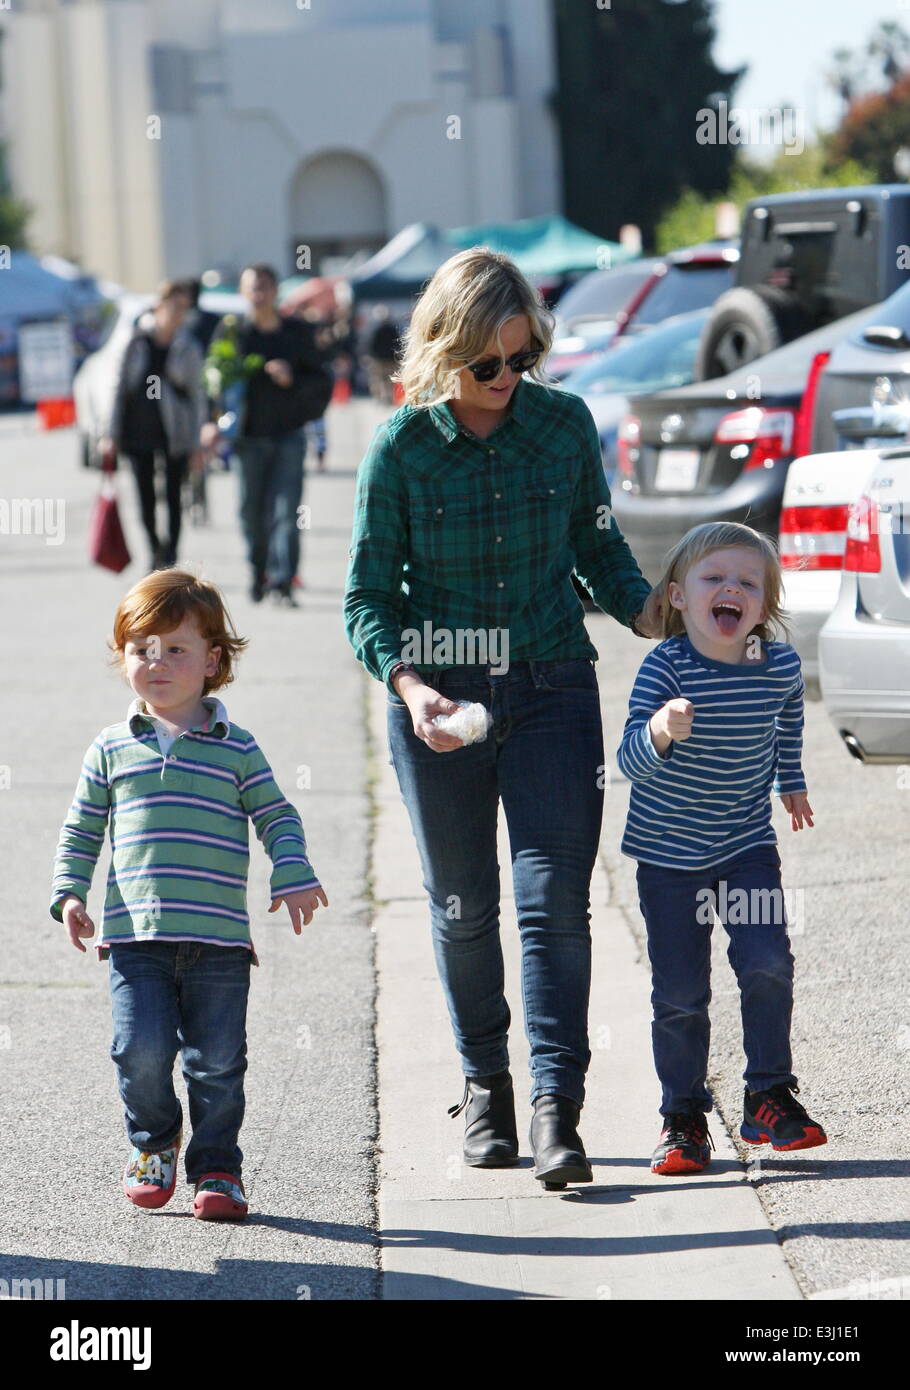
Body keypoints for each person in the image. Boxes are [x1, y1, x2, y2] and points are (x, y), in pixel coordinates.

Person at [343, 247, 662, 1189]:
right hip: (440, 701)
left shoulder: (564, 425)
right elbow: (367, 599)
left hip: (553, 684)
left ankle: (560, 1104)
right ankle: (486, 1082)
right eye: (487, 363)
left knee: (554, 900)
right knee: (463, 905)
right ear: (444, 350)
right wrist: (411, 689)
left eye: (523, 359)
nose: (506, 379)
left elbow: (599, 551)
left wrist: (650, 610)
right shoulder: (399, 449)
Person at [49, 569, 328, 1220]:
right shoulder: (111, 747)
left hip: (219, 941)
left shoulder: (237, 748)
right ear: (123, 658)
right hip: (135, 938)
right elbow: (81, 828)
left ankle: (217, 1168)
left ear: (212, 660)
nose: (157, 662)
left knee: (218, 1064)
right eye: (141, 649)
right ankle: (154, 1141)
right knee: (139, 1050)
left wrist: (292, 868)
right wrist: (69, 893)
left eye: (175, 649)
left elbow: (277, 815)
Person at [616, 521, 827, 1176]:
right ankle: (682, 1114)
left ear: (764, 604)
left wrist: (791, 780)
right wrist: (660, 729)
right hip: (668, 857)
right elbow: (628, 762)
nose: (731, 589)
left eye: (748, 582)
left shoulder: (778, 665)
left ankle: (768, 1095)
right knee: (681, 992)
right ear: (679, 597)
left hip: (746, 847)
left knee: (768, 961)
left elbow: (789, 715)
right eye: (714, 578)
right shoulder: (666, 666)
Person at [203, 263, 332, 606]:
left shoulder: (296, 332)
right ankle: (258, 571)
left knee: (287, 511)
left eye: (264, 286)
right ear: (243, 293)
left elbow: (322, 380)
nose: (258, 293)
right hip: (247, 437)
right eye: (252, 287)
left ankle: (284, 581)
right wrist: (210, 420)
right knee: (250, 512)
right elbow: (212, 379)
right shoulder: (232, 332)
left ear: (276, 291)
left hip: (289, 435)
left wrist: (292, 379)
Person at [102, 279, 207, 571]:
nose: (178, 314)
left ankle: (171, 556)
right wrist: (110, 433)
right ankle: (153, 550)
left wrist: (197, 441)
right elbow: (117, 388)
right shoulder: (135, 340)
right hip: (138, 429)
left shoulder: (188, 345)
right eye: (174, 306)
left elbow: (197, 394)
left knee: (174, 495)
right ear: (159, 305)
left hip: (175, 431)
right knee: (144, 495)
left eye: (184, 308)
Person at [365, 304, 401, 403]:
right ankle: (387, 396)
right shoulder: (393, 329)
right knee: (389, 379)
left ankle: (382, 397)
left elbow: (371, 345)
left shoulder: (376, 329)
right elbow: (398, 343)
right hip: (389, 358)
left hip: (380, 359)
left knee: (380, 379)